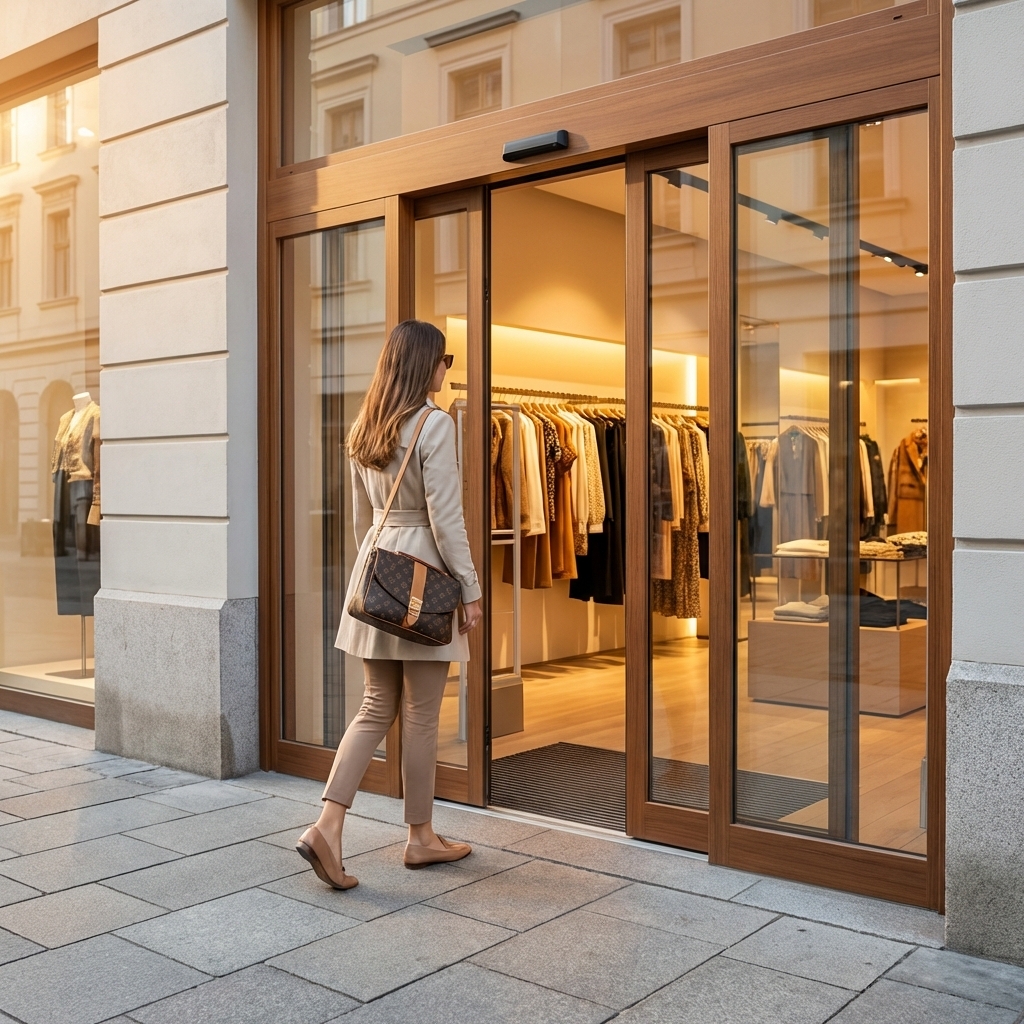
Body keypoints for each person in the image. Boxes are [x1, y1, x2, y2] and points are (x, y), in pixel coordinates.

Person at [296, 320, 483, 890]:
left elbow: (359, 521)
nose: (447, 368)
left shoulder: (365, 425)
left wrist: (381, 576)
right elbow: (447, 520)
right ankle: (420, 838)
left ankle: (327, 825)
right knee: (422, 716)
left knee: (375, 706)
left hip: (377, 569)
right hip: (427, 574)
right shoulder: (434, 424)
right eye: (444, 359)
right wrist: (469, 590)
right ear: (427, 363)